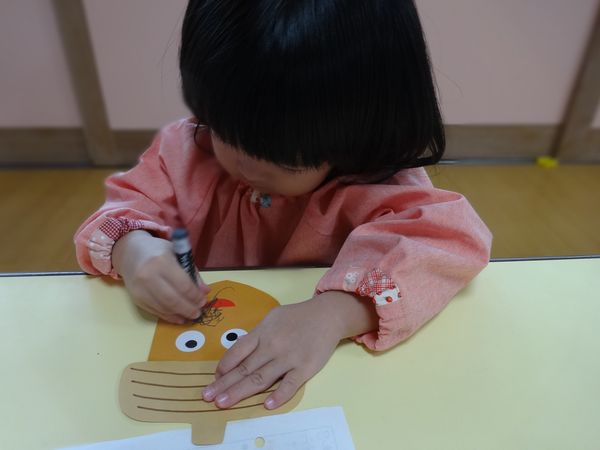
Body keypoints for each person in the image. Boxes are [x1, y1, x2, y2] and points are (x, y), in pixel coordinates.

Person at [74, 0, 492, 411]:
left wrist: (335, 314)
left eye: (284, 161)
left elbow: (449, 241)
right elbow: (124, 209)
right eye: (225, 133)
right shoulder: (188, 152)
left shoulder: (378, 183)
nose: (242, 165)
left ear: (361, 131)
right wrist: (132, 247)